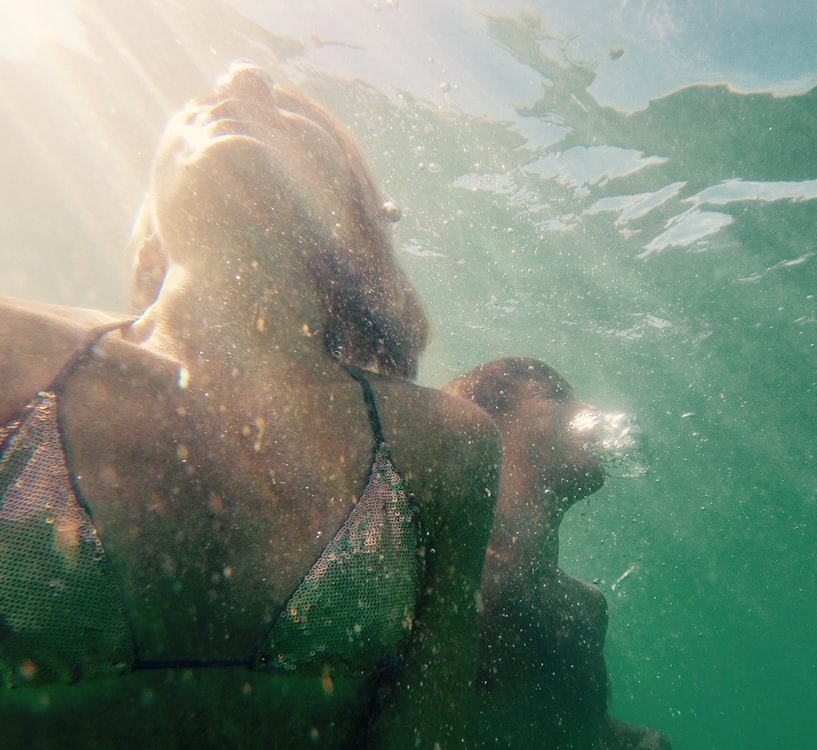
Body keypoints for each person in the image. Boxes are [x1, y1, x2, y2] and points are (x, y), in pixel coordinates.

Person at [0, 63, 500, 749]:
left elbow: (428, 726)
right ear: (150, 224)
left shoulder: (445, 442)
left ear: (353, 222)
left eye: (297, 115)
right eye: (204, 98)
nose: (243, 78)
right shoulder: (9, 348)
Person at [443, 358, 670, 750]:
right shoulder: (436, 583)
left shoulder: (584, 610)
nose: (590, 412)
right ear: (485, 429)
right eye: (556, 396)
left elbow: (568, 730)